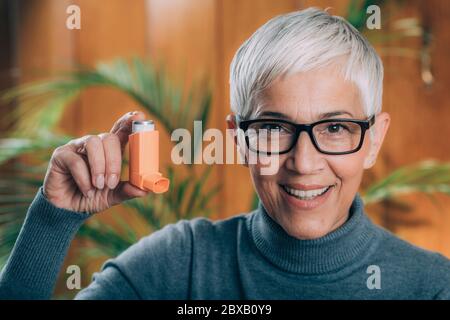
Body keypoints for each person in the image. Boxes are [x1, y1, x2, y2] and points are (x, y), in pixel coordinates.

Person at [1, 7, 450, 300]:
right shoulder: (177, 265)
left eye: (335, 128)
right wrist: (53, 218)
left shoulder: (432, 287)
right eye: (274, 127)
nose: (304, 162)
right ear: (238, 139)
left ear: (373, 140)